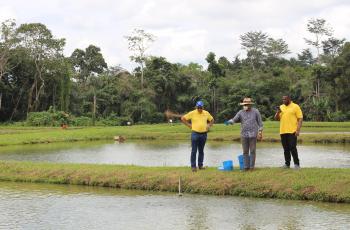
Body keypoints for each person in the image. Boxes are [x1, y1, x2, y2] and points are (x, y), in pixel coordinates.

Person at [226, 98, 263, 171]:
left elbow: (260, 124)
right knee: (245, 151)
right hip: (244, 135)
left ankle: (252, 167)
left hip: (253, 135)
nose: (245, 105)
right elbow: (234, 120)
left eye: (246, 104)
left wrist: (260, 132)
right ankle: (246, 167)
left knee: (252, 151)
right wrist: (229, 122)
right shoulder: (240, 112)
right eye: (244, 104)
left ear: (250, 105)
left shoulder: (256, 111)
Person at [181, 101, 214, 172]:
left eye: (201, 107)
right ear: (196, 107)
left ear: (203, 107)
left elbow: (212, 120)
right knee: (194, 150)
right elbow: (183, 118)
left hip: (204, 134)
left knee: (201, 151)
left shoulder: (206, 113)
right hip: (195, 134)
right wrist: (189, 125)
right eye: (198, 107)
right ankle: (193, 166)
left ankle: (200, 165)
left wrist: (209, 125)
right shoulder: (192, 113)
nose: (199, 109)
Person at [274, 95, 303, 169]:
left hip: (292, 131)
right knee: (285, 148)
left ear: (289, 99)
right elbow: (276, 118)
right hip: (283, 131)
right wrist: (278, 112)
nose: (283, 100)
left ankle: (297, 164)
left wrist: (298, 130)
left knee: (292, 147)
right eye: (282, 99)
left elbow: (300, 118)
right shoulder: (281, 107)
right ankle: (287, 164)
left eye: (285, 99)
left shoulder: (295, 106)